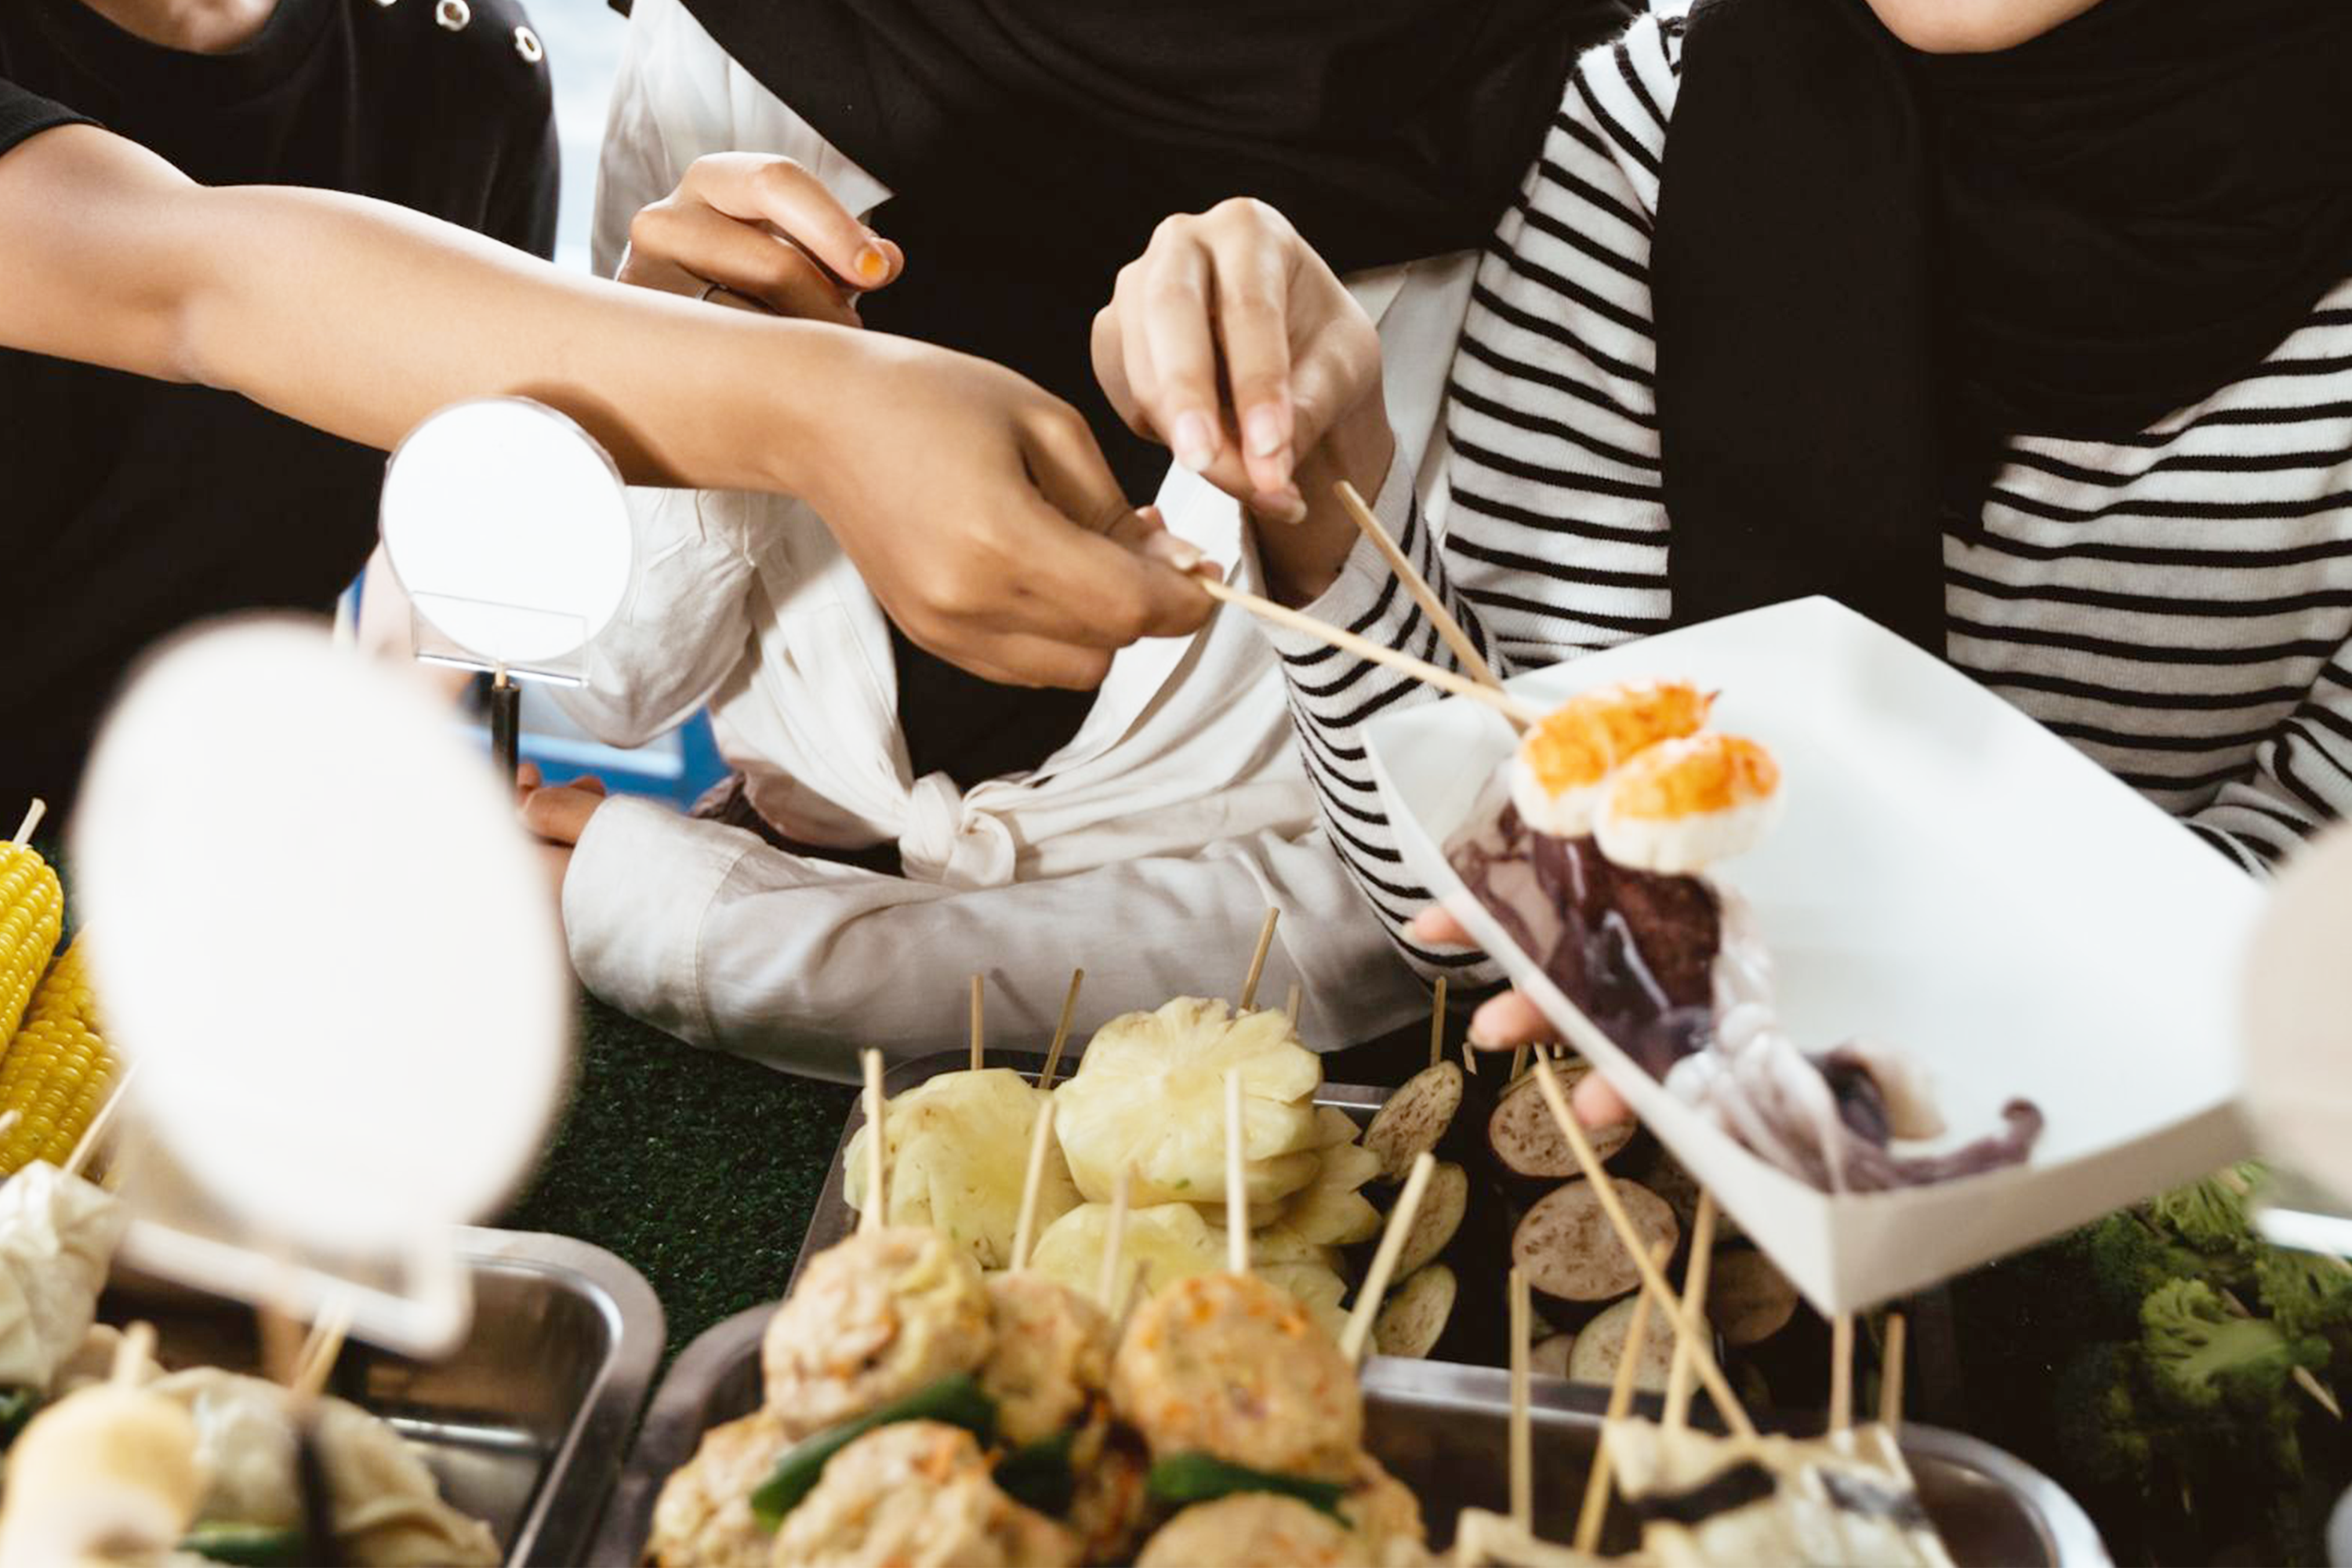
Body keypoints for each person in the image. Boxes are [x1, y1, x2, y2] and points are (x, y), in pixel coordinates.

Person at [1088, 0, 2352, 1115]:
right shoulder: (1657, 120)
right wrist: (1326, 494)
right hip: (1660, 1216)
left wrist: (1890, 987)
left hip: (2154, 1246)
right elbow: (1484, 924)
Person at [510, 0, 1639, 1065]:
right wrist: (681, 391)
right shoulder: (715, 37)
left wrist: (751, 947)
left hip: (1275, 1083)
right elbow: (609, 684)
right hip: (695, 942)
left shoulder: (1594, 114)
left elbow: (1488, 889)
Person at [0, 6, 1207, 815]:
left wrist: (398, 795)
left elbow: (429, 509)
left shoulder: (460, 56)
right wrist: (824, 405)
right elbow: (190, 284)